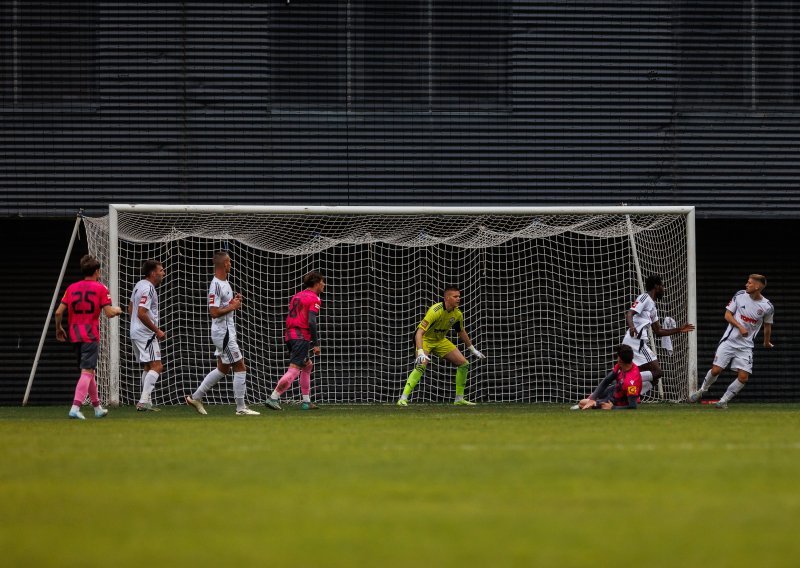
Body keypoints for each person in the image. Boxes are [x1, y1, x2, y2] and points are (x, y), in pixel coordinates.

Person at [185, 251, 260, 416]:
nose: (231, 264)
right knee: (240, 366)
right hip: (223, 333)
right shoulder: (215, 285)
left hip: (227, 331)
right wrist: (232, 307)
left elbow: (223, 306)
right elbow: (213, 312)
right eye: (229, 262)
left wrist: (232, 302)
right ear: (224, 264)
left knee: (222, 368)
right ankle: (241, 408)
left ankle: (196, 397)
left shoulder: (225, 282)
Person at [689, 274, 774, 408]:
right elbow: (727, 315)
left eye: (750, 283)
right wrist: (740, 326)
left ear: (757, 286)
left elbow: (767, 326)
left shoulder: (767, 306)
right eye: (747, 282)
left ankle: (723, 401)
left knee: (743, 377)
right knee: (716, 370)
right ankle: (701, 391)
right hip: (729, 341)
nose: (746, 284)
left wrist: (766, 342)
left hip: (746, 346)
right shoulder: (740, 295)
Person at [55, 254, 123, 419]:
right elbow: (108, 313)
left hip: (74, 335)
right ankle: (75, 407)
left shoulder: (71, 288)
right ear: (97, 272)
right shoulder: (101, 288)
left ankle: (97, 408)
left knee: (88, 372)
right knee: (87, 372)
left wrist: (59, 328)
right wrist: (118, 310)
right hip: (90, 335)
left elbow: (58, 312)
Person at [397, 285, 485, 406]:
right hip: (425, 340)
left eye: (459, 296)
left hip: (440, 340)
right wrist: (421, 351)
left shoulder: (458, 314)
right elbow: (419, 332)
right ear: (447, 298)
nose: (459, 299)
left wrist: (472, 349)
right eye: (455, 296)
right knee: (421, 365)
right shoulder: (435, 310)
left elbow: (461, 331)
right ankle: (403, 398)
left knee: (464, 364)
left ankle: (459, 399)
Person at [622, 275, 695, 395]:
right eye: (662, 285)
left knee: (654, 379)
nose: (663, 289)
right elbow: (630, 313)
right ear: (656, 286)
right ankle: (625, 380)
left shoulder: (653, 307)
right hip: (635, 341)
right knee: (657, 372)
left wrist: (679, 330)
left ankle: (629, 395)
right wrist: (632, 327)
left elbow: (659, 331)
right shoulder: (644, 297)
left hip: (638, 342)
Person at [264, 271, 326, 411]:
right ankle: (273, 397)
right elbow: (311, 321)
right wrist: (316, 344)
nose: (324, 284)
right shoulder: (315, 299)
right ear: (316, 283)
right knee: (293, 370)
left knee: (307, 365)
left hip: (290, 335)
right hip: (301, 337)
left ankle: (306, 401)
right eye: (322, 281)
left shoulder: (297, 295)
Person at [128, 259, 166, 412]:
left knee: (148, 366)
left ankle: (147, 401)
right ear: (152, 273)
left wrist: (134, 324)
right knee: (157, 366)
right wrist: (156, 330)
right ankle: (143, 401)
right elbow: (141, 313)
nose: (163, 273)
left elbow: (130, 307)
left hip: (135, 331)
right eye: (161, 270)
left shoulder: (139, 285)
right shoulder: (149, 289)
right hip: (145, 334)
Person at [576, 344, 642, 410]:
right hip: (614, 390)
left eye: (617, 356)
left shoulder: (631, 383)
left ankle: (595, 404)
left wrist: (613, 407)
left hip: (618, 401)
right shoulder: (621, 365)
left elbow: (633, 406)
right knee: (592, 396)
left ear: (620, 360)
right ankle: (593, 402)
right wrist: (592, 398)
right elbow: (607, 380)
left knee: (582, 403)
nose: (617, 358)